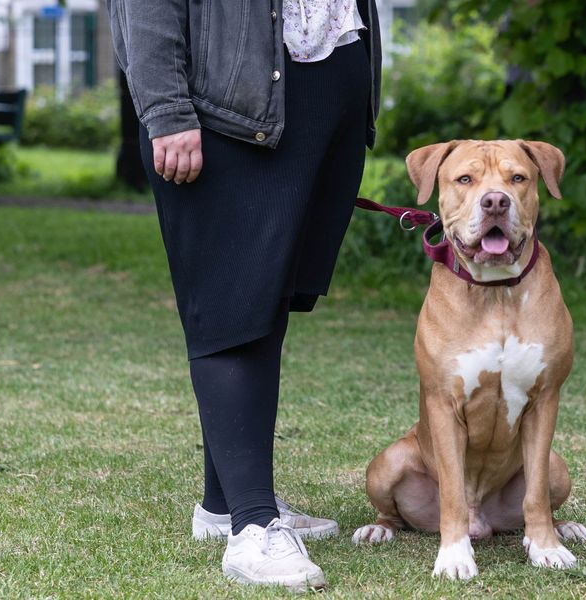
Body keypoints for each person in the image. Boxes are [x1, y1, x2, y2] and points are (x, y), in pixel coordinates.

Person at [107, 0, 381, 592]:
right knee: (229, 300)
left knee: (268, 295)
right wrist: (166, 109)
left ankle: (223, 504)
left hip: (326, 78)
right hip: (226, 103)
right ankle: (253, 526)